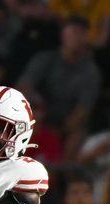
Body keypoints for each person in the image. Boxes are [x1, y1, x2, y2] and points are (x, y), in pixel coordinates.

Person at [18, 17, 102, 156]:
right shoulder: (44, 59)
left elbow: (82, 111)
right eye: (72, 32)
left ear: (86, 38)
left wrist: (60, 131)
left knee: (74, 140)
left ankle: (63, 176)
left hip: (68, 123)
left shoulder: (91, 72)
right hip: (39, 115)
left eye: (81, 33)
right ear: (63, 35)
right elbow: (24, 86)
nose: (76, 38)